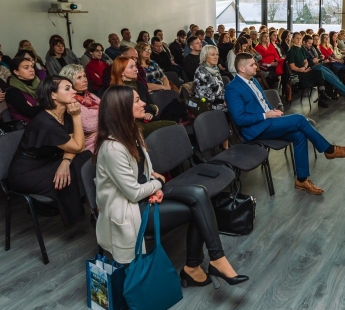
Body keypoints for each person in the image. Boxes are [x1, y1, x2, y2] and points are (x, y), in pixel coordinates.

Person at [94, 85, 247, 286]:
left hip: (145, 194)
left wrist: (152, 177)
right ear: (122, 108)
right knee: (198, 208)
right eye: (137, 100)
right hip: (130, 210)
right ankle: (196, 266)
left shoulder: (131, 132)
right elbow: (132, 193)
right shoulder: (112, 147)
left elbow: (140, 170)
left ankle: (214, 260)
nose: (143, 103)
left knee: (200, 194)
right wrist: (157, 183)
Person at [225, 53, 345, 195]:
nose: (256, 66)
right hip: (254, 130)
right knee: (299, 119)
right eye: (252, 65)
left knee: (299, 135)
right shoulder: (233, 88)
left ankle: (301, 180)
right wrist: (266, 114)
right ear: (241, 69)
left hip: (267, 122)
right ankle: (329, 150)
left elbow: (262, 102)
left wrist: (270, 110)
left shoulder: (253, 80)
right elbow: (239, 119)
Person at [8, 76, 92, 227]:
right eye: (67, 89)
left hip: (47, 160)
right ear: (53, 95)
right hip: (25, 172)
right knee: (75, 169)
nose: (74, 91)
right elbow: (78, 146)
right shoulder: (46, 122)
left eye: (72, 87)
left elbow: (76, 143)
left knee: (86, 157)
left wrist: (66, 161)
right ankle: (77, 210)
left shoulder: (63, 113)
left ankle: (86, 204)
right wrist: (77, 116)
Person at [110, 55, 181, 131]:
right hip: (132, 127)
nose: (136, 69)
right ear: (121, 72)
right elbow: (127, 114)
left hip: (146, 121)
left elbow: (151, 104)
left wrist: (150, 112)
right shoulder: (117, 91)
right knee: (172, 126)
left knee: (173, 124)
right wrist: (149, 109)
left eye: (135, 66)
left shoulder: (139, 85)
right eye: (131, 67)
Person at [302, 35, 345, 103]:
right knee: (332, 78)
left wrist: (320, 58)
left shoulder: (311, 49)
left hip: (318, 65)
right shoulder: (302, 50)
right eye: (309, 43)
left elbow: (316, 58)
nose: (311, 45)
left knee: (334, 76)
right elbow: (304, 62)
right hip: (312, 69)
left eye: (311, 43)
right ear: (304, 42)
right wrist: (314, 61)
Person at [59, 65, 100, 152]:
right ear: (70, 82)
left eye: (84, 76)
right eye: (79, 78)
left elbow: (112, 114)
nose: (85, 80)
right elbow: (89, 126)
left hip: (102, 135)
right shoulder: (70, 103)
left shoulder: (91, 96)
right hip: (90, 144)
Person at [286, 33, 330, 107]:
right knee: (317, 77)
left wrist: (305, 67)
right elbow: (292, 67)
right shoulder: (291, 51)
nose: (299, 40)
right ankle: (321, 96)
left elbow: (306, 62)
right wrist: (301, 70)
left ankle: (322, 92)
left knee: (319, 72)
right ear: (293, 39)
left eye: (300, 38)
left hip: (304, 70)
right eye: (297, 38)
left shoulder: (301, 49)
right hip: (297, 73)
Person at [5, 57, 41, 122]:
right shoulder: (13, 92)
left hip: (44, 120)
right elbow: (31, 112)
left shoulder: (39, 83)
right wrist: (48, 104)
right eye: (26, 68)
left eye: (32, 66)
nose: (32, 70)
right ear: (16, 72)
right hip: (28, 126)